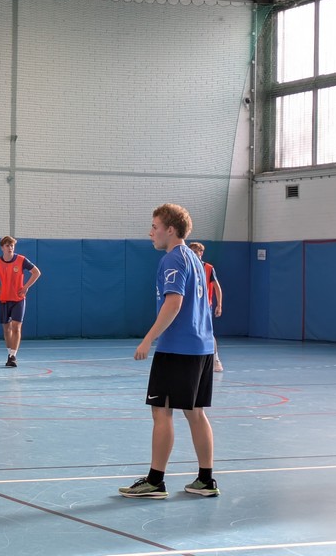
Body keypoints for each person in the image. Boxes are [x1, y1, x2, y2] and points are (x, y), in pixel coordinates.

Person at [119, 203, 219, 499]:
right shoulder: (195, 259)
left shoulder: (172, 259)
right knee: (195, 412)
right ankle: (206, 480)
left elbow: (173, 303)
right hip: (202, 347)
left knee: (161, 411)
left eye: (155, 227)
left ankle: (155, 481)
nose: (151, 232)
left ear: (170, 230)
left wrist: (148, 339)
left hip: (178, 349)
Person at [0, 236, 41, 367]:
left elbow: (36, 272)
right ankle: (9, 354)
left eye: (12, 245)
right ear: (2, 248)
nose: (10, 248)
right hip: (4, 299)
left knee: (16, 327)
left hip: (18, 299)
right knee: (6, 329)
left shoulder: (21, 260)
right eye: (7, 246)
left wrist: (26, 287)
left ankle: (13, 356)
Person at [188, 242, 224, 372]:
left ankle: (215, 359)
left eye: (196, 251)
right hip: (190, 305)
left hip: (205, 306)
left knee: (208, 332)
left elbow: (217, 287)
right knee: (191, 331)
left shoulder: (208, 268)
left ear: (201, 253)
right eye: (191, 251)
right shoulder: (187, 266)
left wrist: (219, 304)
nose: (194, 254)